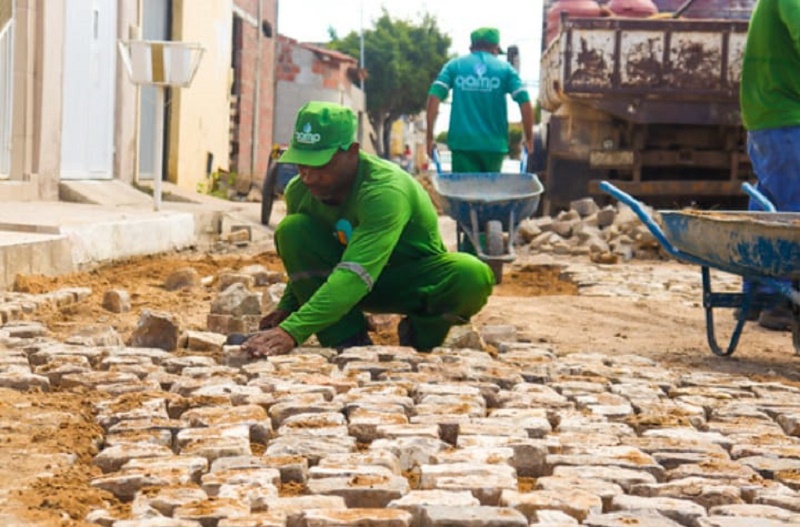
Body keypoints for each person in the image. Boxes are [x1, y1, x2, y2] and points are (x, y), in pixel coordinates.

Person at [239, 101, 495, 358]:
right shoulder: (299, 190)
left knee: (470, 274)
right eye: (301, 163)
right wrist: (287, 308)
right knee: (292, 229)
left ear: (352, 152)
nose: (308, 176)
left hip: (409, 284)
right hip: (342, 283)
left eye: (320, 164)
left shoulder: (384, 191)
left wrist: (293, 331)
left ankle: (420, 338)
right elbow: (304, 254)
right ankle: (347, 341)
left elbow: (356, 274)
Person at [739, 0, 800, 331]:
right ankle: (779, 300)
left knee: (769, 205)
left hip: (769, 115)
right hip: (786, 115)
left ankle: (758, 294)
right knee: (791, 211)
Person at [426, 27, 535, 174]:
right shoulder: (506, 69)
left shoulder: (455, 66)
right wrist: (529, 138)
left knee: (464, 188)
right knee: (489, 188)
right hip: (494, 145)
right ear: (495, 49)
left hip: (462, 143)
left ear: (471, 47)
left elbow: (434, 97)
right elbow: (525, 101)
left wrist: (429, 137)